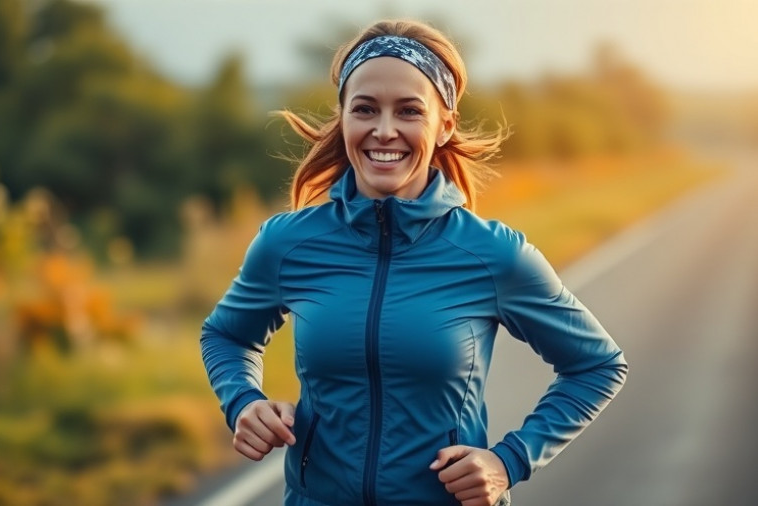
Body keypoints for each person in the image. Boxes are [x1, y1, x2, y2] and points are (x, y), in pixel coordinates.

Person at [200, 19, 627, 506]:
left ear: (444, 125)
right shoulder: (288, 243)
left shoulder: (492, 253)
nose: (385, 130)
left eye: (409, 111)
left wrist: (509, 460)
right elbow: (227, 334)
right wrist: (244, 402)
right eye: (365, 109)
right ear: (342, 117)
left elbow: (597, 365)